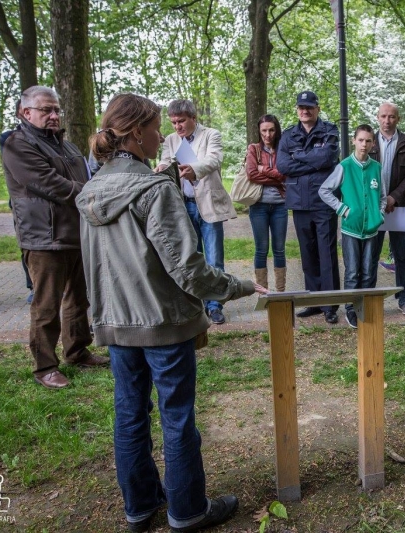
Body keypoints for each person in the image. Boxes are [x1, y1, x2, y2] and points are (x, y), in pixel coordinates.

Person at [78, 93, 267, 533]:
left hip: (117, 322)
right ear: (136, 133)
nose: (162, 135)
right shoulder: (153, 189)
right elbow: (188, 269)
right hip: (162, 323)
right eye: (155, 127)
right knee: (176, 417)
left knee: (129, 415)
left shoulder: (91, 190)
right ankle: (187, 511)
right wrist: (237, 286)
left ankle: (140, 508)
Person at [1, 85, 106, 389]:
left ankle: (77, 351)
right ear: (26, 112)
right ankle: (45, 366)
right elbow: (49, 184)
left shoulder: (68, 147)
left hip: (77, 233)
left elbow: (88, 177)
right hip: (44, 238)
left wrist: (96, 189)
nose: (53, 115)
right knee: (46, 306)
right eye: (46, 109)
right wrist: (93, 195)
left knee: (78, 299)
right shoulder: (17, 145)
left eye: (56, 109)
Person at [156, 99, 237, 325]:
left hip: (208, 205)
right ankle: (197, 305)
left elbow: (214, 159)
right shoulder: (171, 140)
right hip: (183, 206)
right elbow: (165, 161)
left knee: (214, 258)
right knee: (191, 258)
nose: (177, 126)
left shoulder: (211, 134)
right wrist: (161, 167)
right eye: (173, 122)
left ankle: (215, 305)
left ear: (193, 118)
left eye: (181, 121)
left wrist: (194, 169)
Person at [277, 90, 341, 324]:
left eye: (309, 107)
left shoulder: (330, 131)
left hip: (324, 201)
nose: (305, 111)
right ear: (297, 110)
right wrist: (312, 161)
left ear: (317, 109)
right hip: (300, 202)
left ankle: (330, 305)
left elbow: (327, 159)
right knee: (308, 253)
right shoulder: (288, 135)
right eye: (301, 107)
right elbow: (283, 166)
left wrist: (299, 157)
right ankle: (314, 301)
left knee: (327, 253)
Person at [319, 125, 386, 328]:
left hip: (371, 230)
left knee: (368, 271)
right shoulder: (345, 166)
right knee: (352, 271)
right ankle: (350, 308)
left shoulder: (377, 168)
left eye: (368, 141)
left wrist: (379, 213)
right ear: (354, 141)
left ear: (373, 143)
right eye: (361, 140)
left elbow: (382, 196)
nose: (364, 144)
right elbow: (324, 190)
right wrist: (342, 209)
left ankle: (365, 305)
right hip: (351, 229)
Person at [368, 102, 405, 316]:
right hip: (375, 209)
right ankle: (369, 299)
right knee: (371, 255)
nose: (387, 121)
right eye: (383, 116)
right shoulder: (368, 141)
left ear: (398, 119)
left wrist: (394, 197)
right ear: (377, 117)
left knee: (402, 255)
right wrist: (380, 200)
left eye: (391, 116)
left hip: (399, 207)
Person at [245, 114, 288, 292]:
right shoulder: (253, 149)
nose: (267, 134)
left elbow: (286, 173)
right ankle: (264, 293)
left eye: (271, 130)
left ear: (276, 130)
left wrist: (264, 170)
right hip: (259, 206)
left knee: (279, 249)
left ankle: (280, 292)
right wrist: (277, 178)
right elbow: (251, 174)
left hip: (280, 206)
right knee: (261, 249)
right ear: (259, 131)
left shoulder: (283, 149)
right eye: (264, 130)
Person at [0, 98, 34, 303]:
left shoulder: (55, 142)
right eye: (25, 110)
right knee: (28, 246)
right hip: (24, 206)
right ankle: (33, 286)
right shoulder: (9, 139)